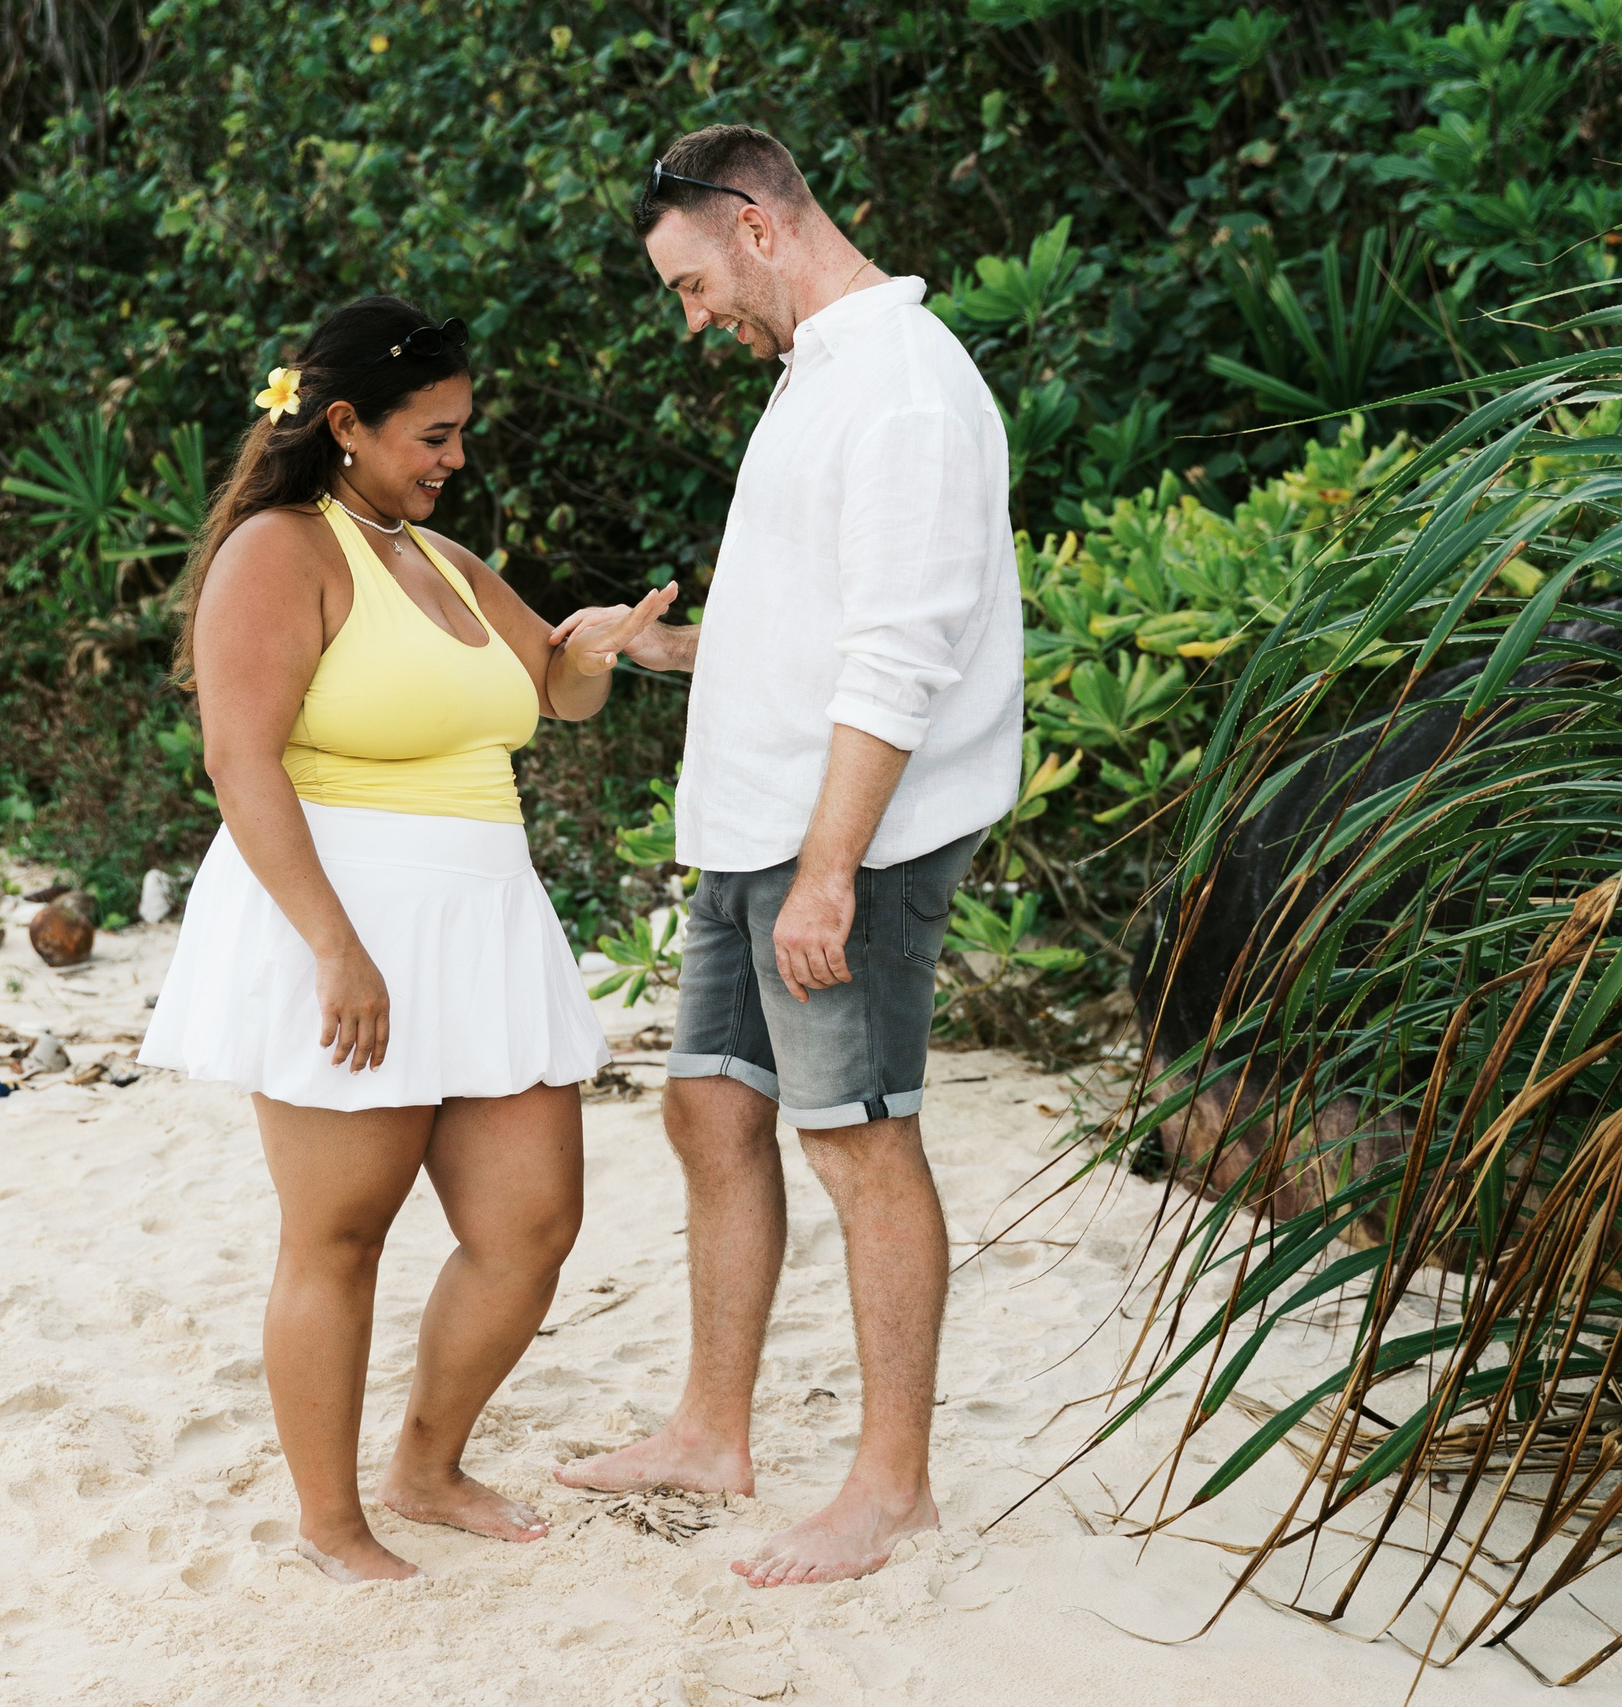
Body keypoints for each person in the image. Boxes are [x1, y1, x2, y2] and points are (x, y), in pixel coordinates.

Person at [140, 295, 678, 1584]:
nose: (453, 459)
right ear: (345, 425)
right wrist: (335, 946)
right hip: (343, 913)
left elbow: (555, 689)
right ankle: (332, 1522)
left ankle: (428, 1467)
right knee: (342, 1233)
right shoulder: (280, 551)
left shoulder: (436, 560)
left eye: (460, 434)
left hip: (482, 918)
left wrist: (598, 649)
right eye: (433, 434)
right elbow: (239, 758)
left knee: (532, 1223)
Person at [552, 127, 1024, 1589]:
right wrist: (658, 649)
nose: (692, 319)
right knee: (709, 1112)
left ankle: (893, 1491)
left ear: (757, 223)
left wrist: (830, 873)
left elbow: (900, 654)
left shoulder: (901, 387)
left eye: (692, 284)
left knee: (860, 1140)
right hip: (751, 830)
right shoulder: (818, 379)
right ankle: (711, 1429)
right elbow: (810, 623)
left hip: (847, 844)